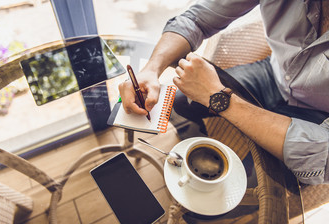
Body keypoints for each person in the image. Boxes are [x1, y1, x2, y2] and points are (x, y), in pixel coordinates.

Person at [118, 0, 329, 185]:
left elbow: (324, 157)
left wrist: (218, 97)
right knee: (176, 104)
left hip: (317, 120)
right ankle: (193, 139)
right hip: (274, 74)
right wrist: (151, 69)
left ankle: (195, 217)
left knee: (226, 190)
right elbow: (197, 19)